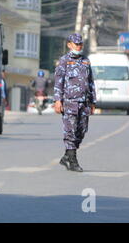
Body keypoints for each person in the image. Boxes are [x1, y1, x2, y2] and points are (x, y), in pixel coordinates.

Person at [53, 33, 96, 172]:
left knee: (82, 131)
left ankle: (66, 156)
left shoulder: (86, 61)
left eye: (80, 44)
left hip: (84, 102)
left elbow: (90, 82)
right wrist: (57, 100)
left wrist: (93, 101)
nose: (79, 46)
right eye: (76, 44)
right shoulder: (64, 61)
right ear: (69, 44)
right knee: (70, 131)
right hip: (69, 102)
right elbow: (58, 82)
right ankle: (73, 161)